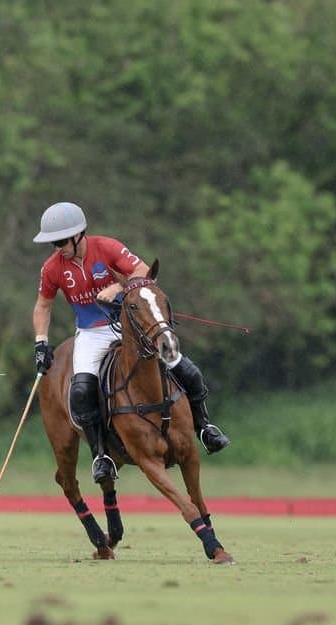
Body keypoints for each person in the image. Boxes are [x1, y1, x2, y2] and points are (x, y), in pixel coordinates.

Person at [31, 201, 229, 484]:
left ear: (78, 235)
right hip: (90, 332)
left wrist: (119, 286)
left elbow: (143, 270)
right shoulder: (52, 268)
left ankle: (205, 428)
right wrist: (41, 341)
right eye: (53, 242)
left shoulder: (107, 247)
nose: (57, 247)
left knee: (182, 366)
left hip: (130, 326)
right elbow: (43, 306)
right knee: (82, 389)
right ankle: (101, 456)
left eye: (62, 240)